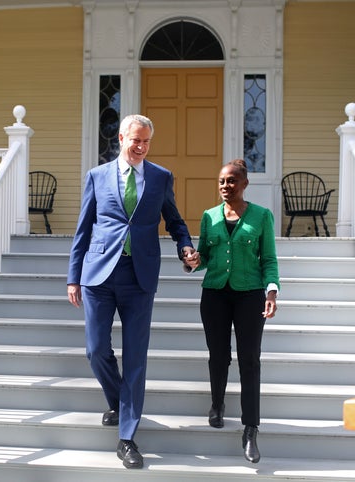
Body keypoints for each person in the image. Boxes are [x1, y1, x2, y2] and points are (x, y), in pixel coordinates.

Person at [67, 114, 195, 469]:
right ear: (121, 138)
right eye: (135, 140)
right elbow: (83, 229)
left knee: (136, 358)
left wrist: (185, 247)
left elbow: (176, 221)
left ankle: (126, 438)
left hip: (139, 278)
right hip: (98, 275)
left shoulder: (160, 177)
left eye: (146, 142)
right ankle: (117, 398)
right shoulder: (97, 176)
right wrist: (73, 276)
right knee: (96, 350)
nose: (140, 147)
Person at [190, 159, 279, 464]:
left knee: (250, 360)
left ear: (244, 184)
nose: (225, 186)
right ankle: (217, 405)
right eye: (221, 182)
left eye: (231, 181)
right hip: (214, 293)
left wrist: (271, 291)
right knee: (218, 355)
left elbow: (268, 258)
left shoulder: (262, 216)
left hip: (250, 295)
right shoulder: (209, 216)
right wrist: (192, 259)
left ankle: (250, 428)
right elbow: (203, 255)